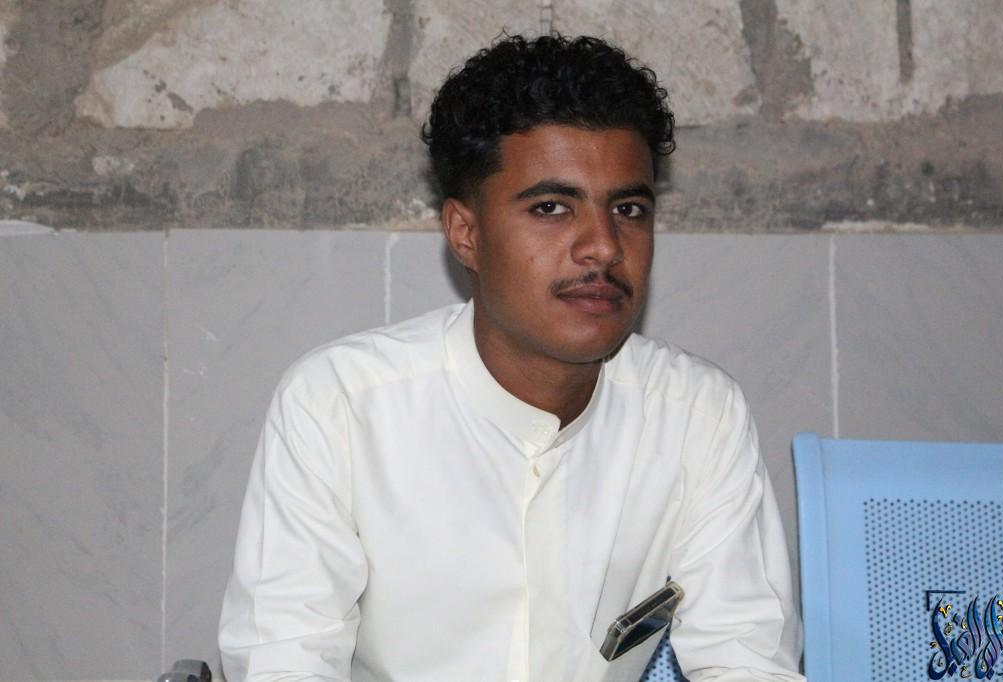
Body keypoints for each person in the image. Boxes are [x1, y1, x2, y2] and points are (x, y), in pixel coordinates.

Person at [219, 34, 804, 681]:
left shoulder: (697, 417)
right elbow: (284, 662)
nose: (604, 247)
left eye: (629, 208)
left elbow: (746, 660)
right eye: (551, 208)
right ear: (466, 233)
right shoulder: (340, 408)